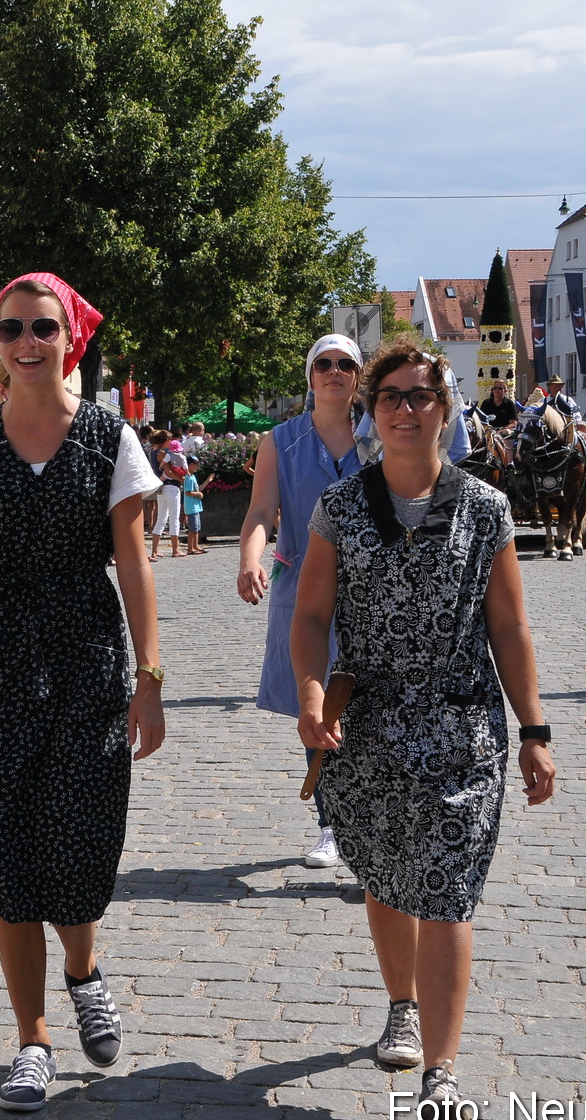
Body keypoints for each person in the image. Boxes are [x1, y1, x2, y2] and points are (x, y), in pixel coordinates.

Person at [0, 272, 163, 1114]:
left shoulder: (106, 438)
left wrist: (150, 677)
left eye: (41, 328)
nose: (24, 342)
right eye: (10, 327)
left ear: (67, 339)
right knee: (9, 860)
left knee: (79, 846)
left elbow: (132, 564)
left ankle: (83, 968)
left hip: (88, 663)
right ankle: (32, 1036)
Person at [290, 339, 555, 1120]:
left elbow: (508, 626)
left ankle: (440, 1072)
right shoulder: (340, 506)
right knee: (383, 875)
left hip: (460, 727)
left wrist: (534, 728)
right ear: (370, 411)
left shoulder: (484, 508)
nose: (406, 409)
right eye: (390, 396)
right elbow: (309, 615)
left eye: (421, 395)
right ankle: (399, 1000)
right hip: (362, 725)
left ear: (446, 408)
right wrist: (310, 693)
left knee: (444, 892)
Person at [237, 334, 366, 868]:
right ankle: (332, 825)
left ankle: (369, 827)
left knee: (372, 710)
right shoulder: (281, 441)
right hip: (304, 588)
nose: (334, 372)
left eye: (345, 364)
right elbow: (262, 511)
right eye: (323, 365)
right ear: (310, 376)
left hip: (373, 591)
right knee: (319, 709)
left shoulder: (380, 436)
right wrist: (249, 558)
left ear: (358, 376)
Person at [148, 430, 185, 561]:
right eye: (169, 440)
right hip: (171, 486)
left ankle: (154, 550)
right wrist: (180, 478)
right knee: (174, 518)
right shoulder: (162, 453)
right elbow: (168, 471)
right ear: (165, 440)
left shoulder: (152, 452)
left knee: (161, 518)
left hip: (161, 488)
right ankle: (175, 549)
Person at [182, 458, 207, 555]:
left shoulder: (192, 477)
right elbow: (188, 493)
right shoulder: (189, 478)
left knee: (196, 528)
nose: (198, 466)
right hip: (191, 507)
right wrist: (198, 494)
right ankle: (190, 548)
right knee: (192, 529)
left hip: (195, 506)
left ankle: (195, 545)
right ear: (190, 464)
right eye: (196, 464)